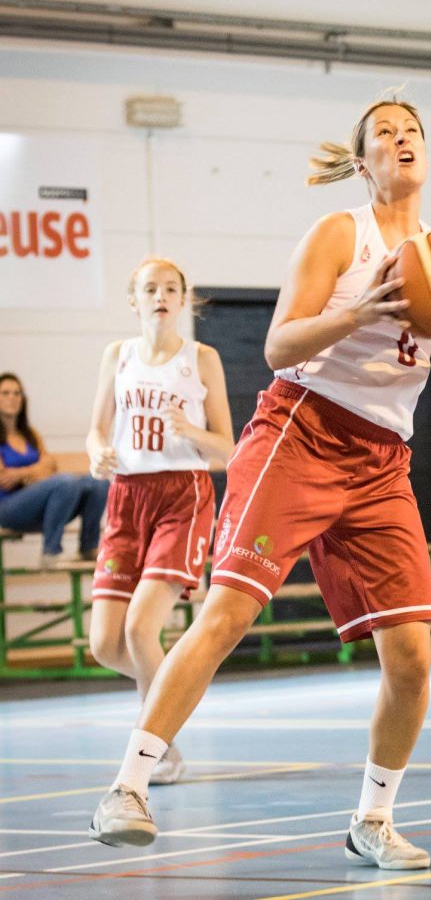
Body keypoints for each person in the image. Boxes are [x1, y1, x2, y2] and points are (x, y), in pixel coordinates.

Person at [88, 97, 431, 865]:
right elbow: (278, 347)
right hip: (300, 431)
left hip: (381, 461)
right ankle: (128, 787)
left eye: (411, 131)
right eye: (384, 133)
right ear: (363, 161)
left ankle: (372, 820)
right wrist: (359, 311)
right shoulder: (341, 233)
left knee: (411, 655)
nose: (401, 140)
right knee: (227, 613)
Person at [86, 256, 233, 785]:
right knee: (105, 644)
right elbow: (96, 430)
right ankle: (177, 685)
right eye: (150, 289)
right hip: (126, 498)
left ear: (183, 299)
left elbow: (228, 448)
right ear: (134, 300)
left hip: (181, 496)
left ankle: (158, 747)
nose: (161, 297)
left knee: (139, 627)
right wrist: (97, 452)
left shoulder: (201, 359)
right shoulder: (117, 355)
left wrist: (191, 431)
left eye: (171, 288)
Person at [0, 372, 108, 562]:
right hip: (9, 509)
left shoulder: (30, 434)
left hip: (43, 507)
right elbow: (4, 478)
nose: (12, 398)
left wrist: (20, 474)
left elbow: (49, 466)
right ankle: (51, 552)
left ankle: (88, 548)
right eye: (6, 393)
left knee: (98, 483)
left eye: (17, 393)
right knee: (66, 482)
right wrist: (36, 473)